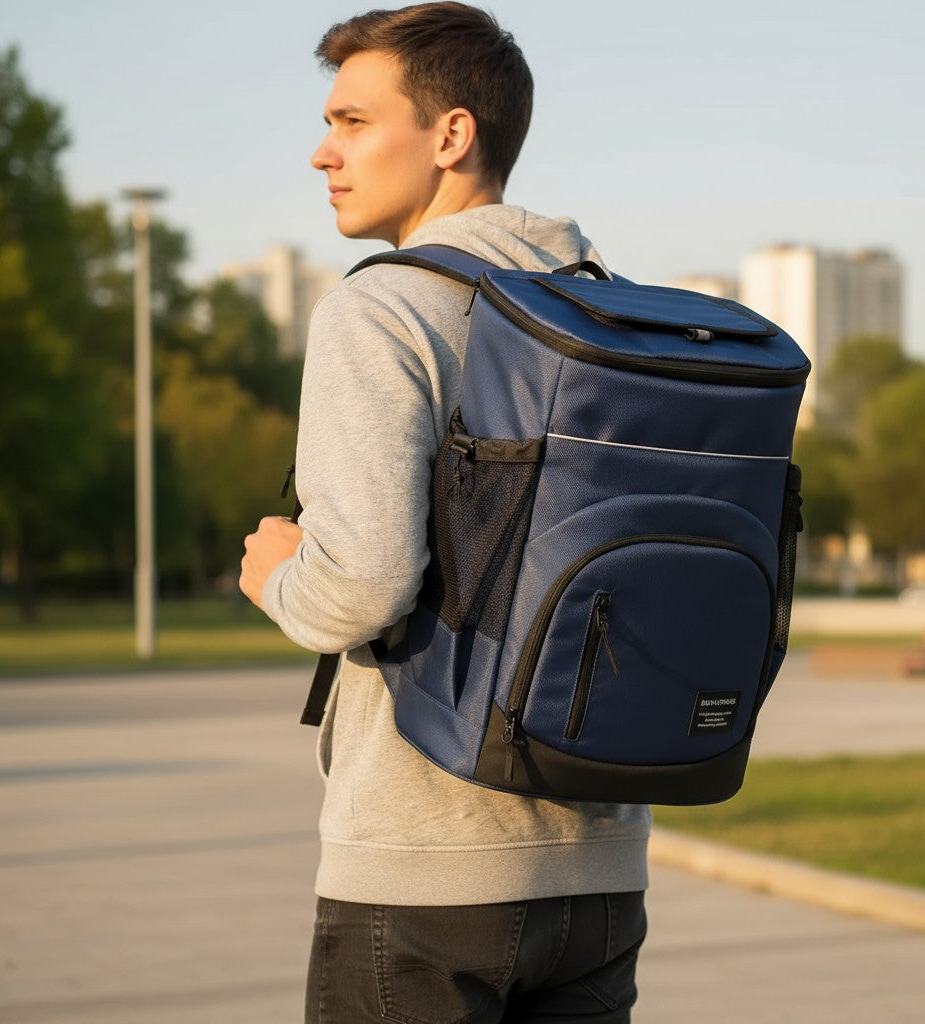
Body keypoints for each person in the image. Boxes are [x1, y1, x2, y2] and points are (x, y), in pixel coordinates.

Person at [240, 4, 652, 1020]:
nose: (319, 152)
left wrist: (277, 574)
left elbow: (364, 587)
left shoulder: (381, 310)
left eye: (350, 121)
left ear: (450, 135)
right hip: (599, 868)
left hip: (426, 874)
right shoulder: (609, 309)